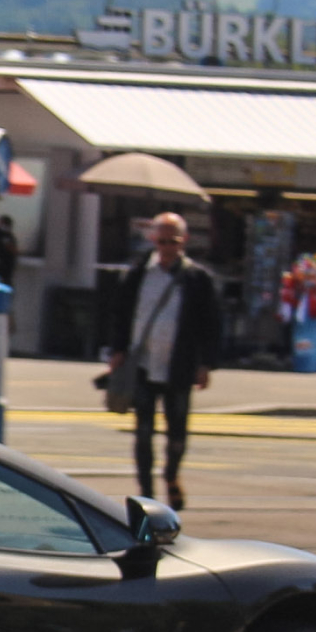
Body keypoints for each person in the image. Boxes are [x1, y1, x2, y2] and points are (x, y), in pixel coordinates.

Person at [101, 211, 223, 509]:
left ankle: (171, 475)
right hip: (142, 363)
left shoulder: (197, 278)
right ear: (153, 240)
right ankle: (146, 491)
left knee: (177, 430)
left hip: (179, 364)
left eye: (174, 241)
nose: (167, 247)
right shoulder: (138, 273)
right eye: (162, 241)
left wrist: (206, 364)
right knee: (143, 431)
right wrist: (117, 351)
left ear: (184, 242)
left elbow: (211, 324)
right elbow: (121, 314)